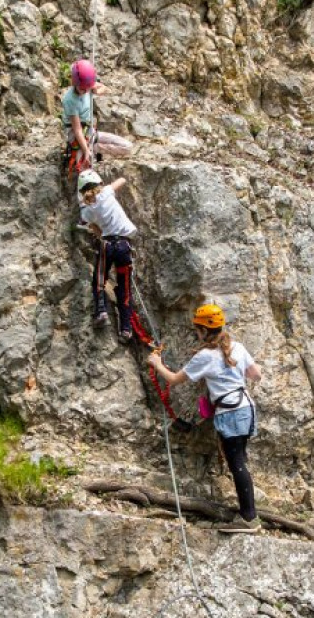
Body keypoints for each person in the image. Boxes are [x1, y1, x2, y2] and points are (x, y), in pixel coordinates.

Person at [148, 303, 263, 533]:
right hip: (245, 407)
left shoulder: (205, 356)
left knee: (237, 462)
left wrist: (156, 364)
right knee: (240, 459)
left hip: (229, 413)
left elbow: (173, 379)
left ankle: (249, 518)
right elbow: (256, 375)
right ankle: (249, 514)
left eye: (197, 330)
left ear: (202, 331)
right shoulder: (237, 347)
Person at [78, 169, 136, 340]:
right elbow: (123, 180)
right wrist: (109, 186)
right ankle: (126, 329)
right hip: (124, 245)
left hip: (107, 245)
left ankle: (101, 311)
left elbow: (97, 231)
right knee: (124, 287)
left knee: (99, 280)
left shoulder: (86, 212)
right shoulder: (107, 194)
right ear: (99, 184)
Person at [62, 59, 132, 177]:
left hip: (91, 133)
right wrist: (85, 150)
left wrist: (97, 91)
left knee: (128, 147)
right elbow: (77, 129)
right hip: (76, 135)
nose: (85, 91)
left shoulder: (87, 85)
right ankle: (90, 149)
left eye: (87, 88)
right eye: (82, 89)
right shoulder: (70, 100)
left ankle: (95, 148)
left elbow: (105, 88)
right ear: (75, 82)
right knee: (84, 174)